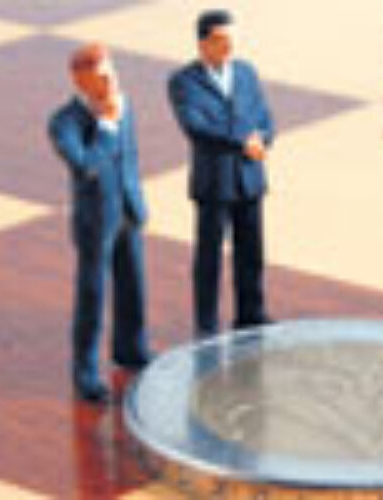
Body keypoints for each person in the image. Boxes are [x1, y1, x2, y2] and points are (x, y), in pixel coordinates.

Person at [48, 43, 152, 402]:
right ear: (80, 81)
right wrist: (106, 126)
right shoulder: (63, 123)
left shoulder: (123, 105)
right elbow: (85, 166)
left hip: (128, 212)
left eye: (112, 73)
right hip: (95, 222)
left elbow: (131, 159)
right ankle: (86, 373)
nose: (111, 83)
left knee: (133, 286)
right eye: (102, 78)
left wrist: (137, 201)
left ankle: (132, 350)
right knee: (92, 298)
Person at [168, 10, 275, 337]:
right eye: (222, 40)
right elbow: (196, 127)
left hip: (249, 178)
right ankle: (207, 325)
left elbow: (263, 115)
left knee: (252, 252)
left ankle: (251, 314)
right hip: (214, 183)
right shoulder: (184, 82)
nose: (230, 46)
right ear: (203, 43)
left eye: (233, 39)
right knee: (209, 257)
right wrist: (243, 141)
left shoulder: (246, 72)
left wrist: (263, 138)